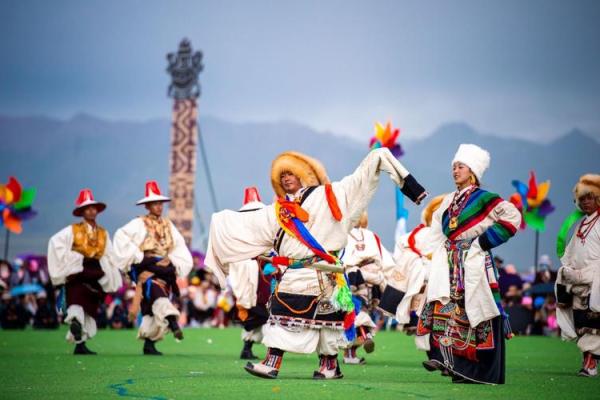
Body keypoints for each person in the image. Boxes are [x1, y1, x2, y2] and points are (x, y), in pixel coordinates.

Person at [205, 148, 427, 379]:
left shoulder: (331, 195)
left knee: (326, 326)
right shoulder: (280, 210)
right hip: (295, 273)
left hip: (325, 273)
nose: (286, 179)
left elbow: (369, 167)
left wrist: (409, 185)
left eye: (290, 173)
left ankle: (329, 366)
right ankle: (272, 362)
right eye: (282, 177)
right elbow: (251, 224)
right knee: (281, 315)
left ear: (305, 173)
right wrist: (220, 223)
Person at [416, 144, 521, 384]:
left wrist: (482, 243)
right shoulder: (448, 201)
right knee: (445, 310)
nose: (455, 171)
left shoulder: (485, 199)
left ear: (472, 170)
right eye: (453, 167)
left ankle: (480, 371)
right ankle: (448, 361)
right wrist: (428, 258)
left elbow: (513, 216)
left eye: (460, 166)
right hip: (450, 264)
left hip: (474, 263)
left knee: (477, 314)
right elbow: (435, 230)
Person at [113, 180, 193, 355]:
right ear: (147, 206)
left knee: (150, 307)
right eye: (154, 203)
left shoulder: (167, 224)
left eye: (160, 203)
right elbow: (121, 236)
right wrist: (138, 256)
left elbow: (178, 245)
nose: (158, 207)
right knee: (157, 294)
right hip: (146, 268)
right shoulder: (139, 223)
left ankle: (149, 343)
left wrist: (173, 261)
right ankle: (172, 321)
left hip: (163, 267)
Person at [47, 189, 123, 354]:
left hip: (95, 274)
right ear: (82, 212)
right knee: (76, 302)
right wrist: (73, 258)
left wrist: (112, 270)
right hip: (78, 272)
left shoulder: (103, 233)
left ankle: (80, 343)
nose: (91, 211)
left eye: (93, 207)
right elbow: (55, 243)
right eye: (87, 208)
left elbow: (110, 254)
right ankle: (75, 324)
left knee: (88, 308)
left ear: (97, 210)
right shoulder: (72, 230)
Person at [388, 195, 445, 367]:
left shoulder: (452, 237)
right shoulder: (413, 236)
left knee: (443, 324)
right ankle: (437, 359)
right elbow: (401, 258)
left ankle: (445, 360)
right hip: (424, 286)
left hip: (446, 285)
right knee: (428, 323)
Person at [556, 174, 600, 377]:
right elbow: (570, 254)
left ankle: (590, 364)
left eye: (589, 198)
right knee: (581, 323)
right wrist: (566, 272)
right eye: (581, 199)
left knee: (594, 325)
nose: (585, 202)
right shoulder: (581, 224)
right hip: (577, 285)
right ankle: (587, 361)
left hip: (595, 283)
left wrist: (584, 274)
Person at [227, 187, 279, 360]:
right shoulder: (239, 235)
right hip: (248, 278)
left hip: (264, 276)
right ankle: (256, 349)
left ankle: (249, 347)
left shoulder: (267, 233)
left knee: (266, 310)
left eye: (257, 211)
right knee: (258, 312)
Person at [341, 211, 388, 365]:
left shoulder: (345, 234)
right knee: (358, 313)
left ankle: (351, 353)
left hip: (354, 278)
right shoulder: (370, 236)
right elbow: (385, 261)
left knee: (353, 313)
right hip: (362, 279)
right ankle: (363, 338)